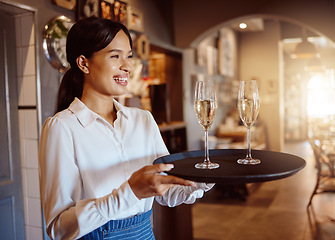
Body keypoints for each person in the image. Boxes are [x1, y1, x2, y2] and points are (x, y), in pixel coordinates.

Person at [38, 16, 214, 240]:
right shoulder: (62, 128)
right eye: (115, 56)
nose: (128, 66)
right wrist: (129, 192)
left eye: (129, 56)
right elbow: (59, 228)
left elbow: (168, 191)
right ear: (84, 63)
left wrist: (204, 178)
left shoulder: (143, 120)